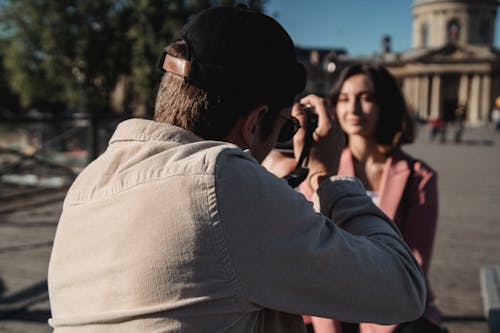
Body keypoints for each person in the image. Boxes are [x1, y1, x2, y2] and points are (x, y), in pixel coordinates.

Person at [47, 7, 426, 332]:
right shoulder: (224, 183)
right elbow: (403, 289)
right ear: (254, 123)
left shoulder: (86, 186)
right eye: (283, 127)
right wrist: (329, 176)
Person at [297, 64, 443, 333]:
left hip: (393, 308)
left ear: (385, 105)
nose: (352, 109)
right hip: (327, 306)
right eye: (343, 99)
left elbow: (415, 266)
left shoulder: (419, 177)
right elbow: (308, 255)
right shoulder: (320, 167)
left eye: (366, 98)